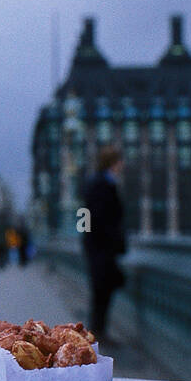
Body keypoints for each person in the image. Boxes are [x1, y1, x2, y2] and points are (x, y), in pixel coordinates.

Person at [82, 146, 127, 340]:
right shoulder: (104, 185)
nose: (122, 165)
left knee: (101, 290)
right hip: (102, 248)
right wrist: (113, 241)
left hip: (97, 247)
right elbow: (102, 218)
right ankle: (98, 333)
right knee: (102, 291)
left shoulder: (96, 183)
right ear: (112, 163)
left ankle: (97, 332)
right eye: (119, 161)